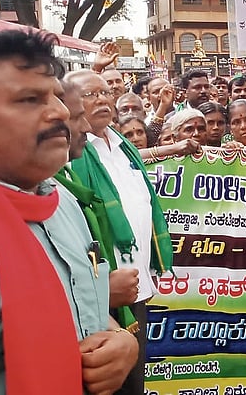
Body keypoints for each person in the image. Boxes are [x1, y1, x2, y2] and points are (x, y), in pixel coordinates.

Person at [0, 30, 137, 393]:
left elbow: (83, 304)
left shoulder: (62, 203)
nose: (59, 112)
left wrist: (121, 341)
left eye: (57, 96)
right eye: (29, 99)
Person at [66, 70, 174, 395]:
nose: (100, 99)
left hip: (135, 289)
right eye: (89, 94)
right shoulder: (72, 153)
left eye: (104, 93)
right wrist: (99, 290)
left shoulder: (124, 145)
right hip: (100, 292)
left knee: (134, 381)